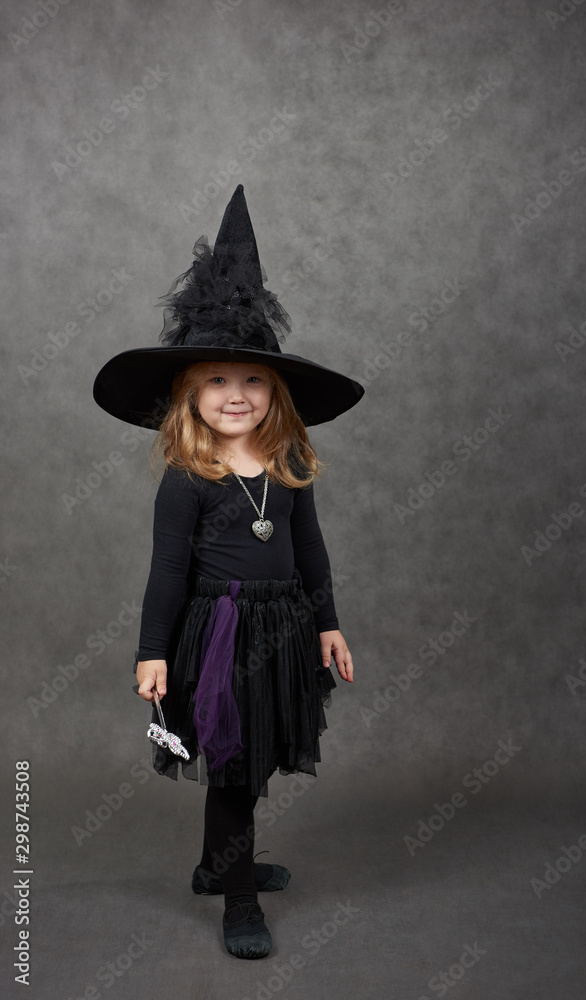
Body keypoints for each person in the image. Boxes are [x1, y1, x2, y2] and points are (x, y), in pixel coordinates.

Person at [92, 184, 364, 960]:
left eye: (251, 381)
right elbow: (166, 572)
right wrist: (150, 652)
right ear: (189, 394)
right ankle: (238, 901)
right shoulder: (189, 478)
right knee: (233, 769)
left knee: (256, 756)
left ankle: (219, 866)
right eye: (215, 380)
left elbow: (310, 551)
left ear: (275, 392)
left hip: (283, 627)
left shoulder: (290, 461)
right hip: (217, 633)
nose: (235, 395)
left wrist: (328, 625)